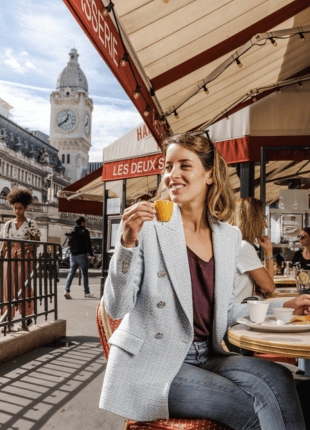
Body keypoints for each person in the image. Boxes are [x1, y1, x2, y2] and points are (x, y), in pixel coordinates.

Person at [99, 133, 310, 429]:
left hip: (207, 354)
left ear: (209, 175)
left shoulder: (228, 236)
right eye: (168, 166)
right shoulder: (148, 229)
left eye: (185, 166)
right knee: (246, 409)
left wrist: (282, 308)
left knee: (279, 379)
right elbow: (117, 307)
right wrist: (126, 243)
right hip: (155, 362)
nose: (173, 175)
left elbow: (225, 311)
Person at [0, 188, 41, 331]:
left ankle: (27, 318)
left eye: (20, 208)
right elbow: (4, 243)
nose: (17, 211)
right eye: (15, 208)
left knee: (23, 286)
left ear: (25, 207)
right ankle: (7, 320)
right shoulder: (8, 225)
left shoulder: (31, 224)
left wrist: (29, 247)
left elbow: (38, 241)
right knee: (7, 288)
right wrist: (2, 254)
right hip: (9, 257)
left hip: (24, 257)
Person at [233, 197, 275, 302]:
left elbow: (263, 288)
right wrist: (269, 252)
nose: (265, 224)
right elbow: (269, 287)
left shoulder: (236, 243)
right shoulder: (243, 247)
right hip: (238, 313)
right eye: (263, 219)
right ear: (253, 220)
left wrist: (268, 251)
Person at [64, 216, 95, 299]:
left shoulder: (73, 231)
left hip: (72, 255)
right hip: (82, 255)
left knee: (71, 272)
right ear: (82, 223)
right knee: (84, 274)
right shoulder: (85, 231)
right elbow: (88, 244)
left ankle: (66, 290)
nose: (86, 223)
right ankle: (86, 292)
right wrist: (91, 255)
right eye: (85, 222)